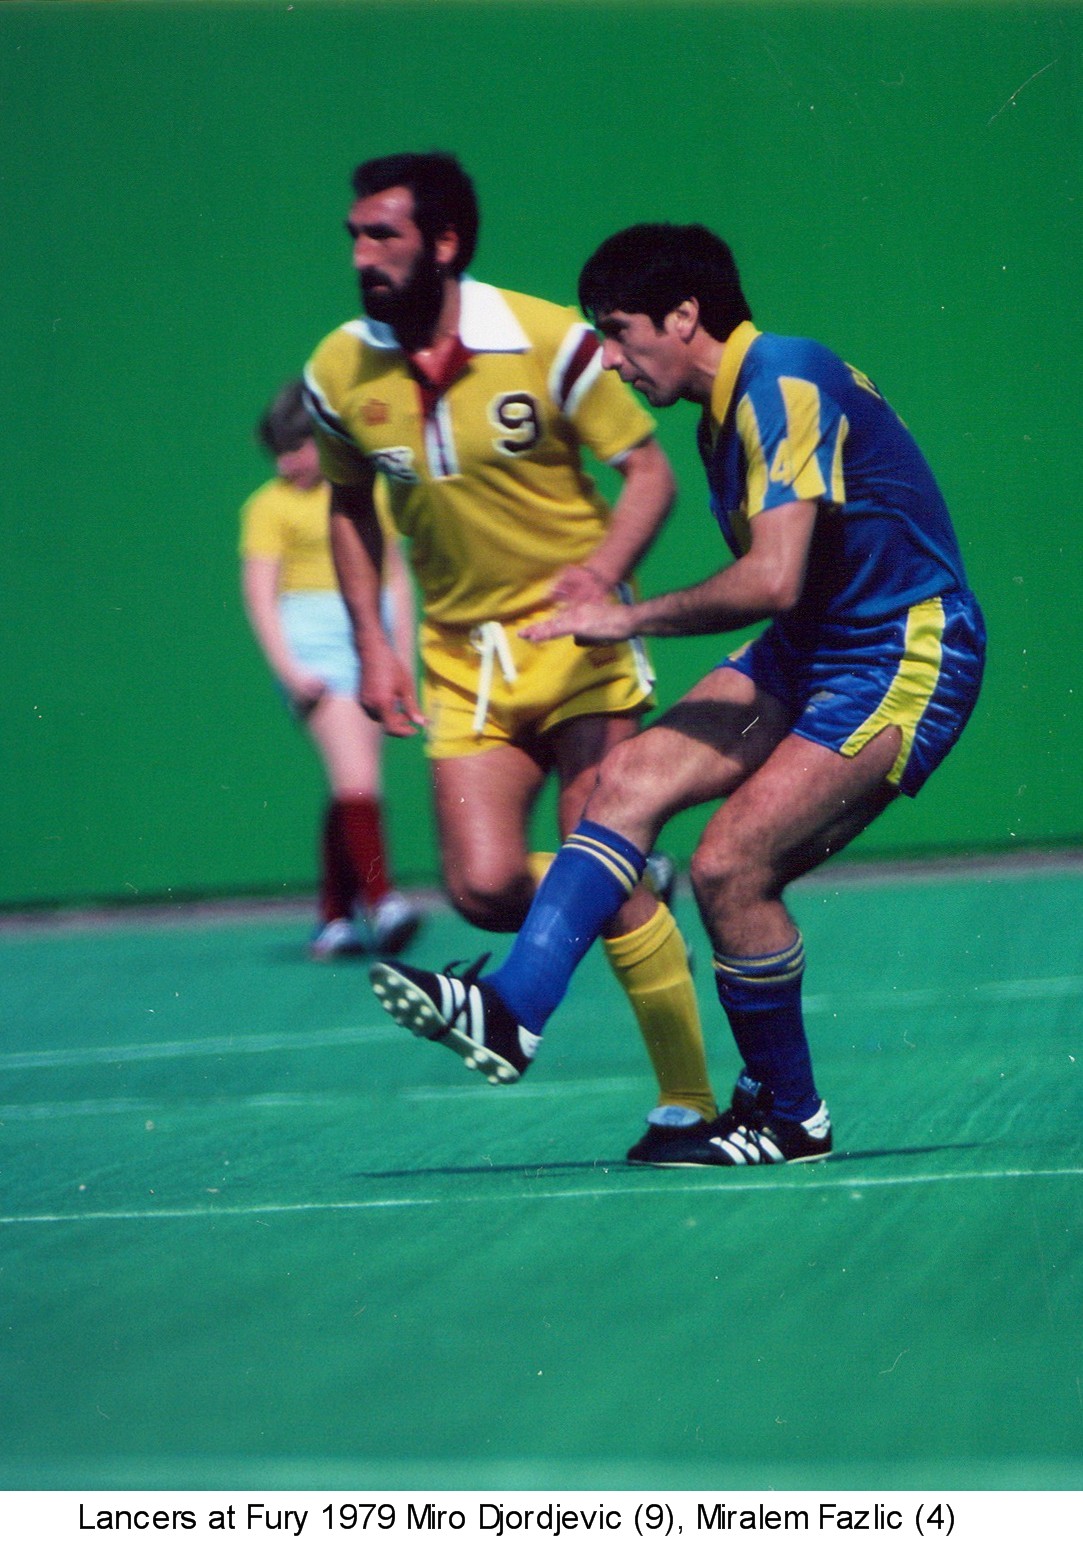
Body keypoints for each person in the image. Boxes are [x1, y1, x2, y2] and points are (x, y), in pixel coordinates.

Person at [369, 222, 986, 1167]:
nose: (609, 360)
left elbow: (773, 576)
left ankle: (792, 1118)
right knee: (626, 782)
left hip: (904, 651)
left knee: (730, 865)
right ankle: (512, 1011)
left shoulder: (779, 382)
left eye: (619, 332)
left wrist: (626, 615)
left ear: (684, 315)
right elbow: (795, 593)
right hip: (815, 646)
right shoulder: (725, 411)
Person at [303, 154, 717, 1155]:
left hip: (578, 648)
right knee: (482, 887)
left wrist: (604, 573)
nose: (363, 255)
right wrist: (372, 642)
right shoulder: (338, 371)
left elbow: (648, 472)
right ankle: (627, 891)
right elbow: (350, 508)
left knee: (596, 853)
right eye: (356, 235)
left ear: (444, 243)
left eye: (384, 235)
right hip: (459, 658)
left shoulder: (546, 340)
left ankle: (692, 1100)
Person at [240, 380, 421, 958]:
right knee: (357, 779)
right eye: (280, 452)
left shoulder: (366, 493)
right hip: (311, 641)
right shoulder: (267, 507)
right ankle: (383, 900)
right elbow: (262, 598)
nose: (289, 461)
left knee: (353, 780)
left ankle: (333, 919)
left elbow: (395, 577)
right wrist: (290, 670)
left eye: (298, 446)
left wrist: (402, 655)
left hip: (367, 635)